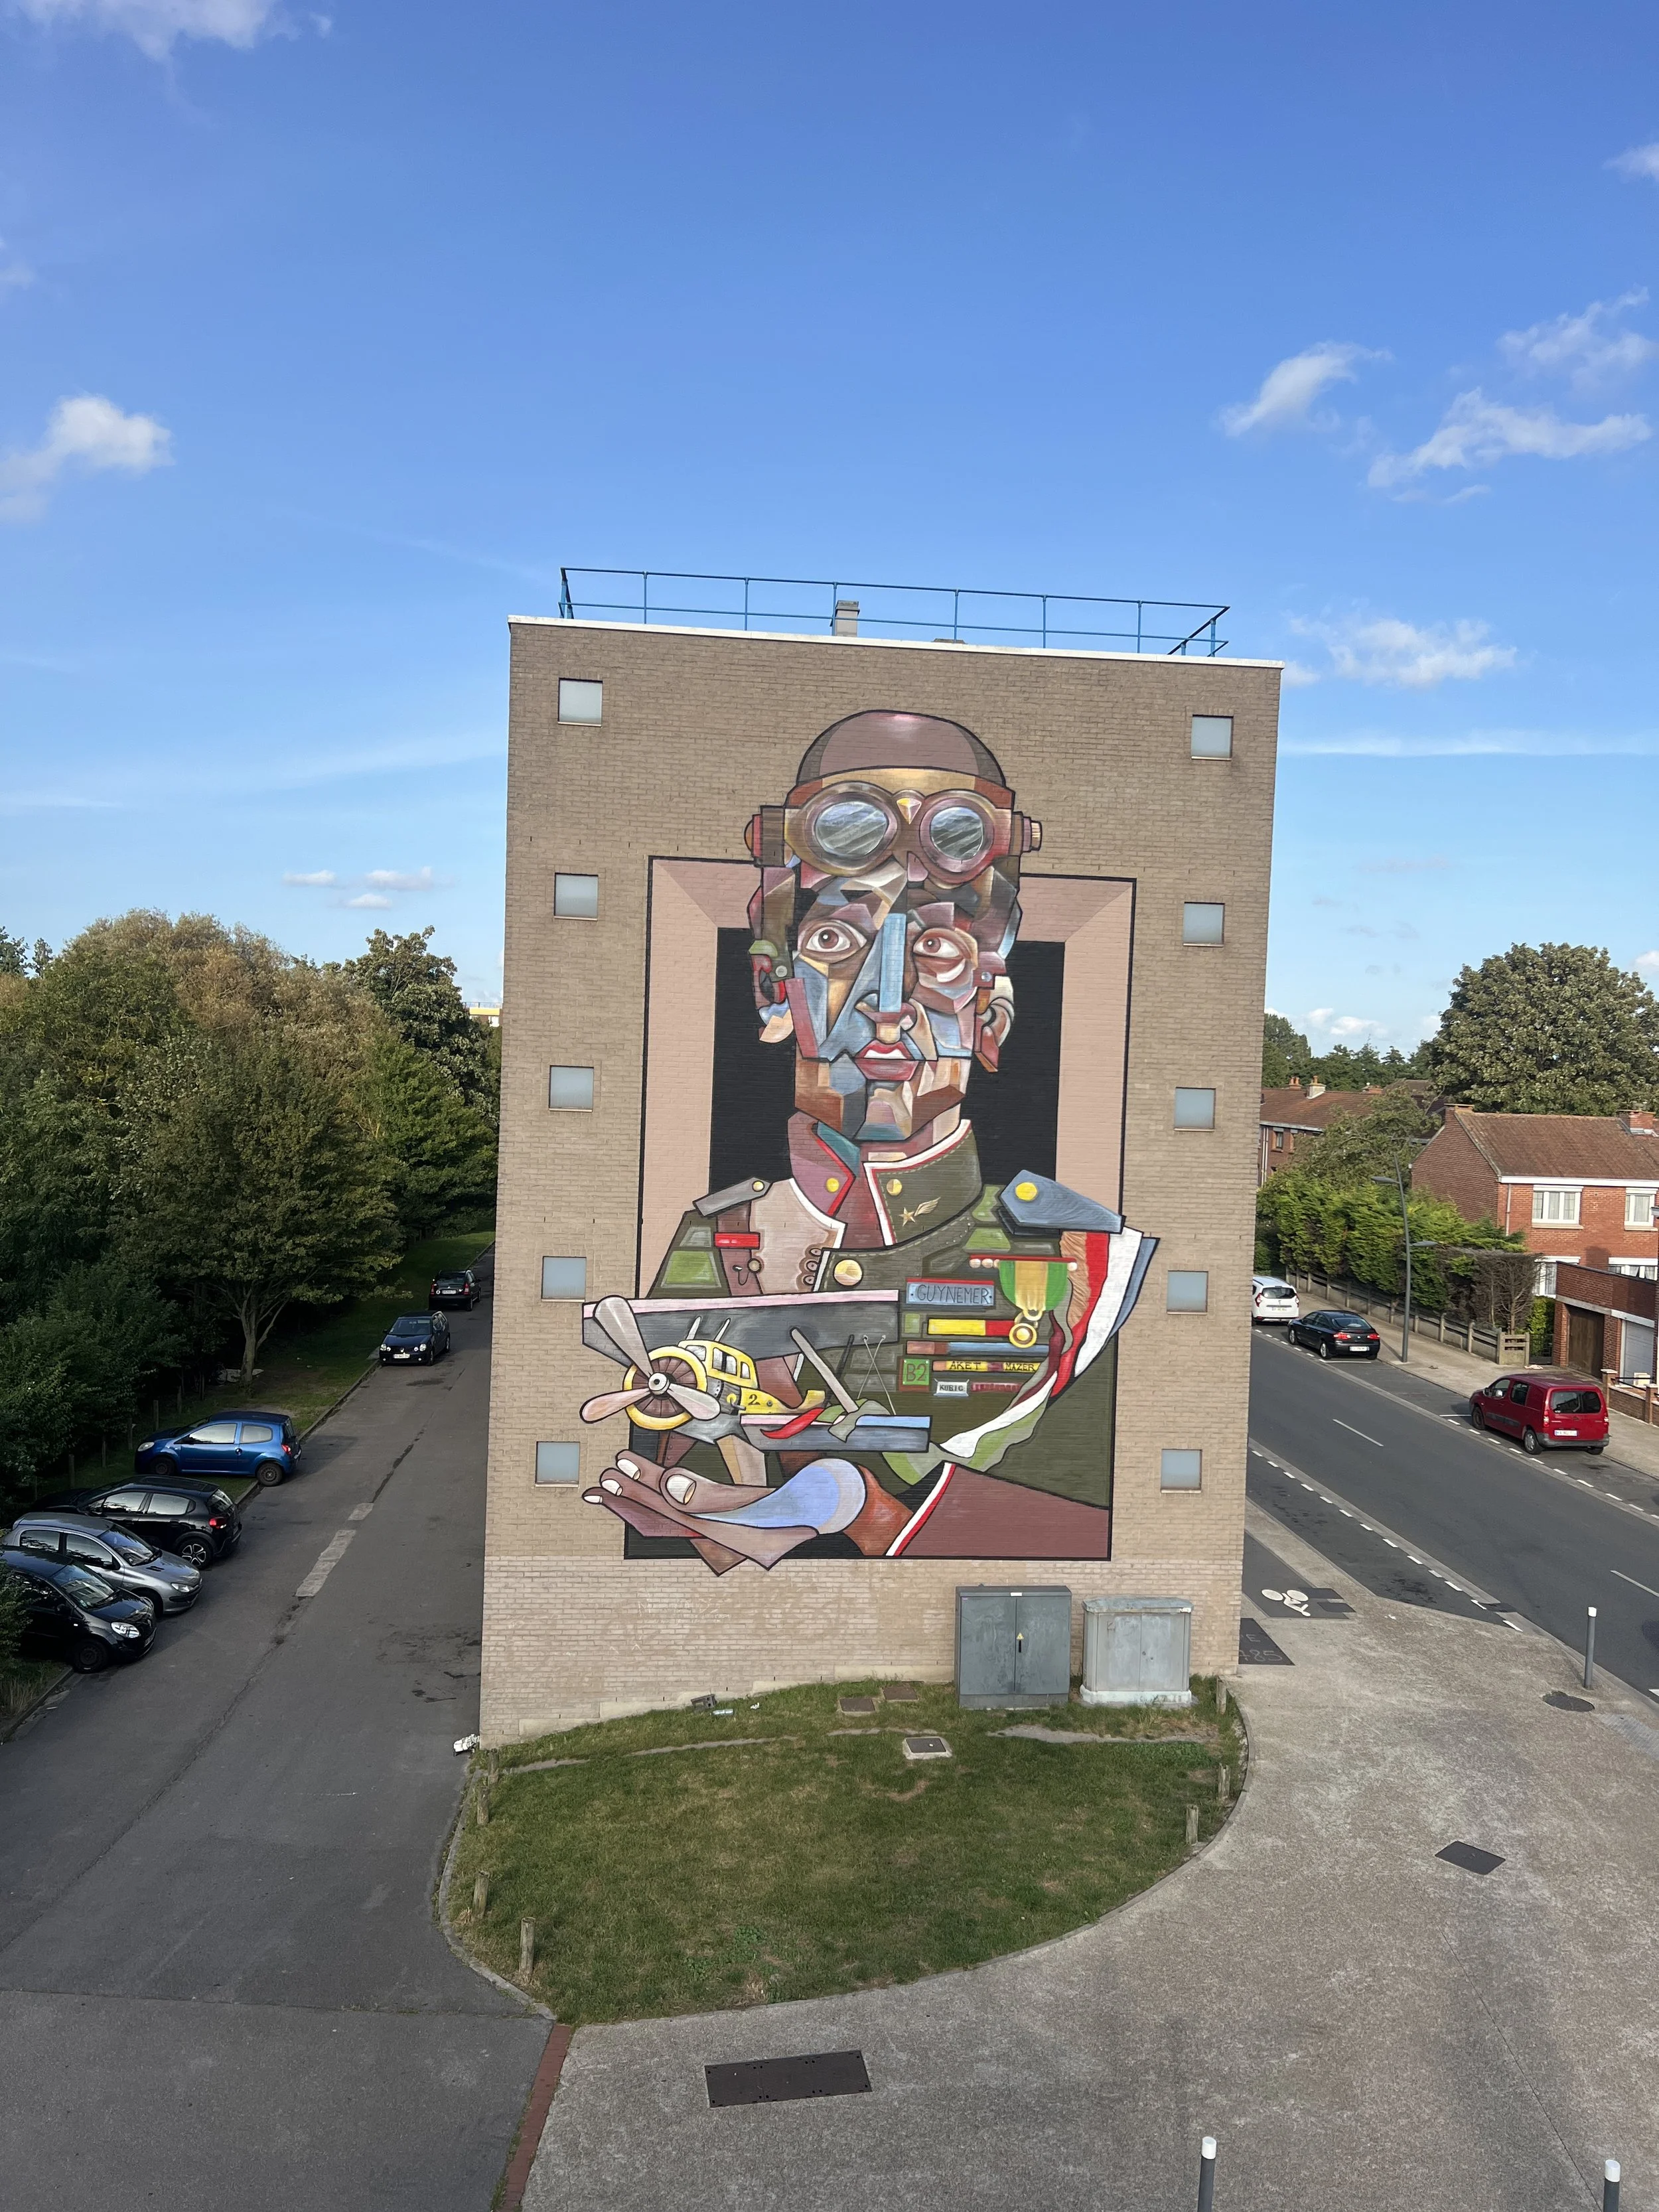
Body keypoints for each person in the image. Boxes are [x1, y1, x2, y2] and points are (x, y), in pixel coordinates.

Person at [581, 709, 1153, 1572]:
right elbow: (677, 1491)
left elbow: (1076, 1522)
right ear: (777, 994)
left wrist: (855, 1508)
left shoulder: (1078, 1261)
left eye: (936, 951)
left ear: (992, 1012)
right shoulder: (716, 1241)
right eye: (836, 942)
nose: (886, 1001)